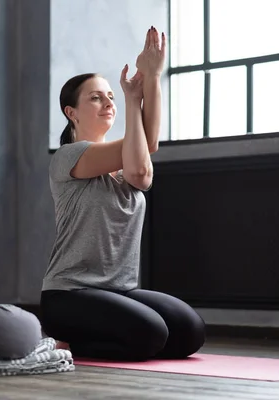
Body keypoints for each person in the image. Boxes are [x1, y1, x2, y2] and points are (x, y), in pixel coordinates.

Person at [40, 26, 206, 361]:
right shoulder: (69, 156)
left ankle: (126, 337)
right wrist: (134, 97)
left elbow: (144, 157)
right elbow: (144, 153)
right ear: (71, 112)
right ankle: (67, 344)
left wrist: (153, 77)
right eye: (96, 97)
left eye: (111, 96)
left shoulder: (125, 161)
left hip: (120, 291)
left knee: (190, 331)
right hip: (70, 294)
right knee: (151, 334)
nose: (107, 102)